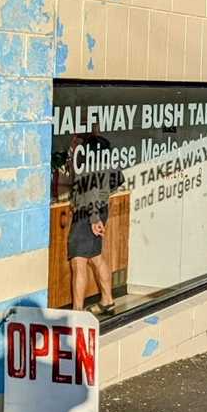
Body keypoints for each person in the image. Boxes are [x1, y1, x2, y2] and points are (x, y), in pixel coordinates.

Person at [67, 132, 117, 313]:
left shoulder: (89, 167)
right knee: (96, 256)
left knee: (78, 262)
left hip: (87, 213)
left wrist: (93, 218)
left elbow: (90, 191)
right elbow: (116, 182)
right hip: (100, 209)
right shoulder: (108, 164)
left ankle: (77, 312)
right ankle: (107, 301)